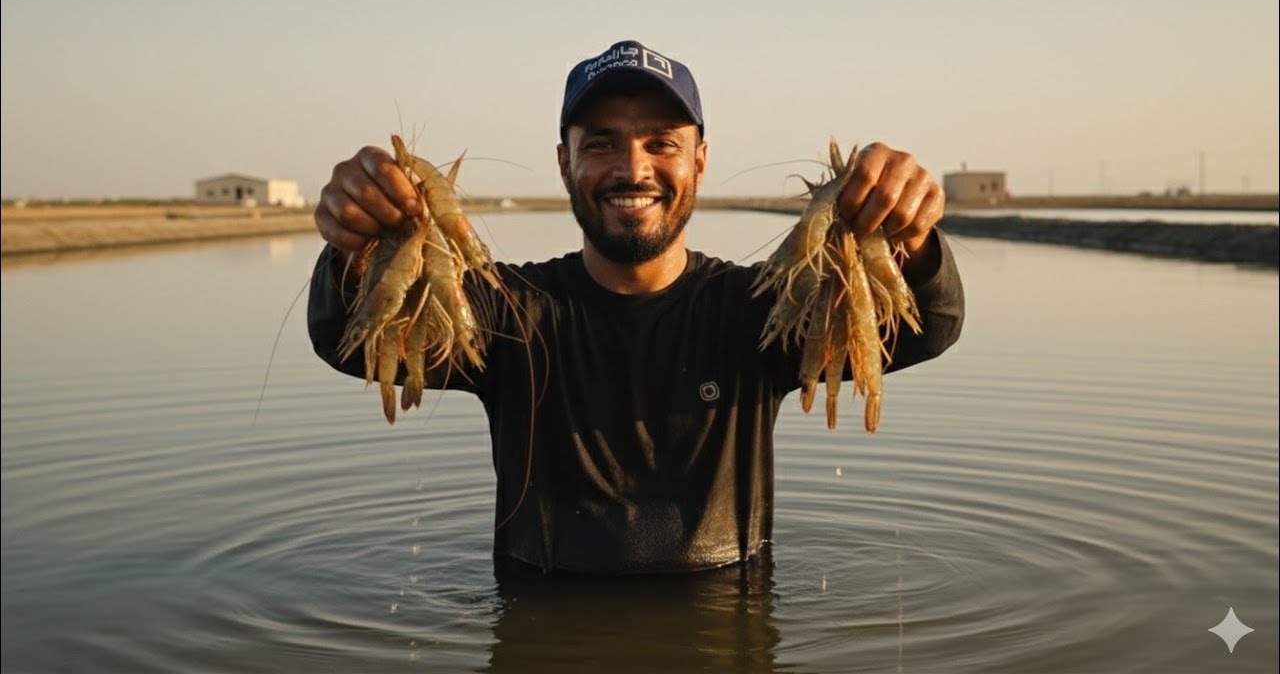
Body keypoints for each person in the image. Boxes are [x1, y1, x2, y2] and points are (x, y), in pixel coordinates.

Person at [308, 40, 964, 575]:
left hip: (729, 629)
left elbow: (928, 327)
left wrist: (909, 235)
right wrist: (358, 246)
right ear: (564, 164)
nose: (632, 167)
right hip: (546, 626)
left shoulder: (759, 311)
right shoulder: (509, 313)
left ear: (699, 162)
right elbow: (349, 337)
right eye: (600, 144)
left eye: (661, 142)